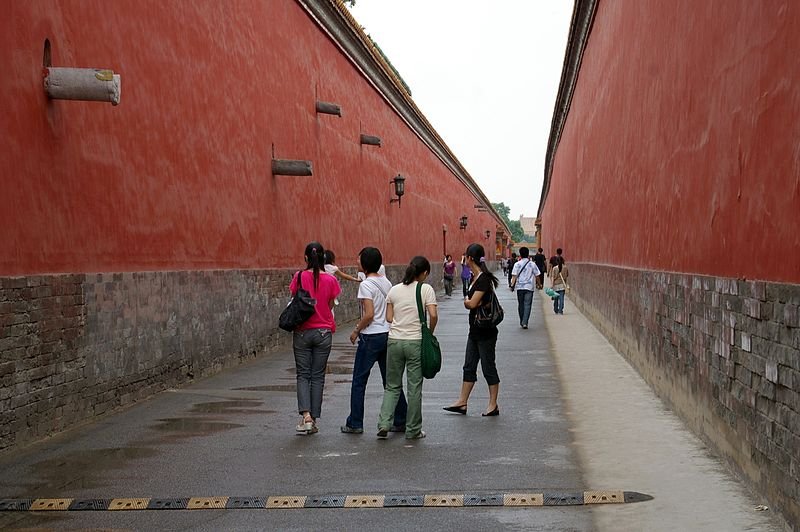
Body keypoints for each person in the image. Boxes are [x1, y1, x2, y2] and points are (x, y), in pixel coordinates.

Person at [341, 247, 407, 434]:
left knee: (359, 381)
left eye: (359, 259)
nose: (357, 262)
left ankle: (355, 422)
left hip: (371, 336)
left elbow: (369, 314)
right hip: (387, 333)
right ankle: (401, 418)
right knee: (391, 381)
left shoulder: (366, 285)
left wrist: (356, 330)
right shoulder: (386, 282)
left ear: (365, 263)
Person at [377, 256, 437, 440]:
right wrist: (429, 331)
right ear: (425, 272)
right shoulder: (425, 289)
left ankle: (384, 423)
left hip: (394, 340)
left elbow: (389, 318)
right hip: (415, 341)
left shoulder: (394, 290)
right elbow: (433, 315)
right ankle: (413, 430)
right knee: (414, 387)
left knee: (392, 386)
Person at [444, 243, 501, 417]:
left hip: (486, 332)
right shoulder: (476, 277)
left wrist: (466, 302)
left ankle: (493, 404)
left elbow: (472, 303)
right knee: (468, 366)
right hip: (475, 330)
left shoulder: (483, 279)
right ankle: (462, 402)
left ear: (469, 258)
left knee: (488, 367)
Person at [289, 242, 341, 435]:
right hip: (323, 332)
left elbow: (296, 298)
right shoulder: (330, 280)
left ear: (305, 258)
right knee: (318, 376)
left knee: (303, 374)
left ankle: (306, 416)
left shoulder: (299, 276)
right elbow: (330, 305)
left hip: (302, 330)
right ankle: (315, 418)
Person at [510, 246, 540, 329]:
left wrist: (512, 285)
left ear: (520, 254)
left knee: (521, 304)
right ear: (528, 254)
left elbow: (514, 276)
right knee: (527, 304)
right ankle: (525, 322)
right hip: (529, 287)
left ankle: (522, 320)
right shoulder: (532, 264)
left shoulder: (517, 264)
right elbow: (537, 275)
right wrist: (539, 284)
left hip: (520, 287)